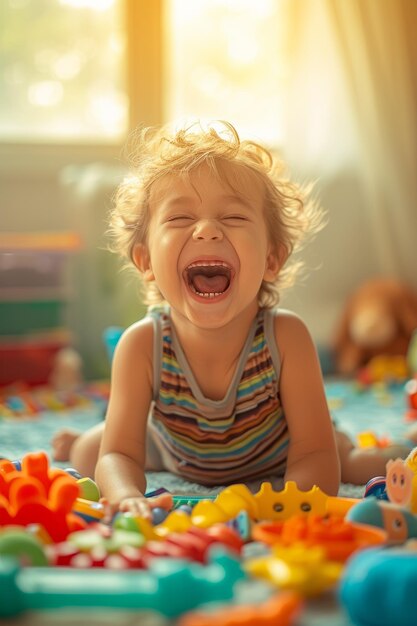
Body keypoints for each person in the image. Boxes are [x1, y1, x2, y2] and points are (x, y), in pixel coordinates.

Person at [51, 120, 410, 519]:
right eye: (180, 219)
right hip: (177, 451)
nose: (206, 230)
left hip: (278, 452)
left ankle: (404, 444)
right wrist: (125, 494)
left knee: (354, 463)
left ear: (272, 258)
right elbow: (119, 452)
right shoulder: (142, 345)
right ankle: (90, 443)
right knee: (93, 454)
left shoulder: (286, 337)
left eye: (235, 219)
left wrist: (287, 505)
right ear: (146, 260)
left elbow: (313, 453)